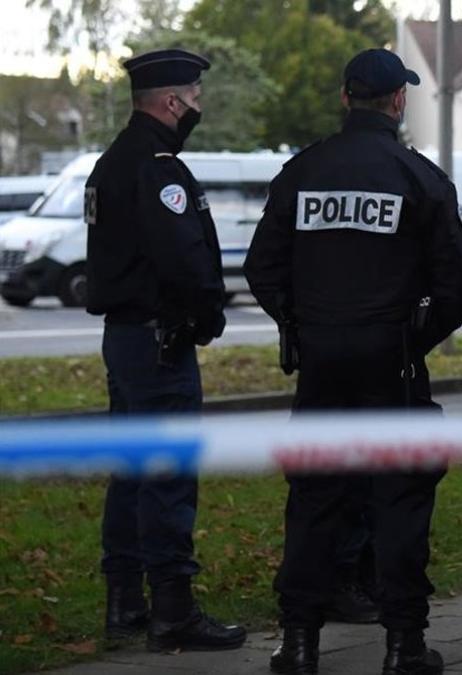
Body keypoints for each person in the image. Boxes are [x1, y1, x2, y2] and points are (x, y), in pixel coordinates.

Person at [245, 48, 462, 674]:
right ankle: (404, 645)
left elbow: (261, 268)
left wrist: (303, 326)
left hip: (322, 364)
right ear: (399, 101)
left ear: (346, 98)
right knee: (399, 500)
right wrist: (413, 337)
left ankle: (298, 643)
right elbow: (458, 281)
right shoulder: (417, 176)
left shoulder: (303, 171)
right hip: (392, 365)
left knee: (316, 500)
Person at [85, 48, 245, 653]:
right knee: (167, 474)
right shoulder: (157, 168)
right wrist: (207, 316)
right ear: (172, 102)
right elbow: (184, 261)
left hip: (126, 339)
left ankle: (125, 600)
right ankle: (172, 609)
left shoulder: (112, 162)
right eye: (195, 97)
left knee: (131, 470)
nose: (198, 107)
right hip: (159, 342)